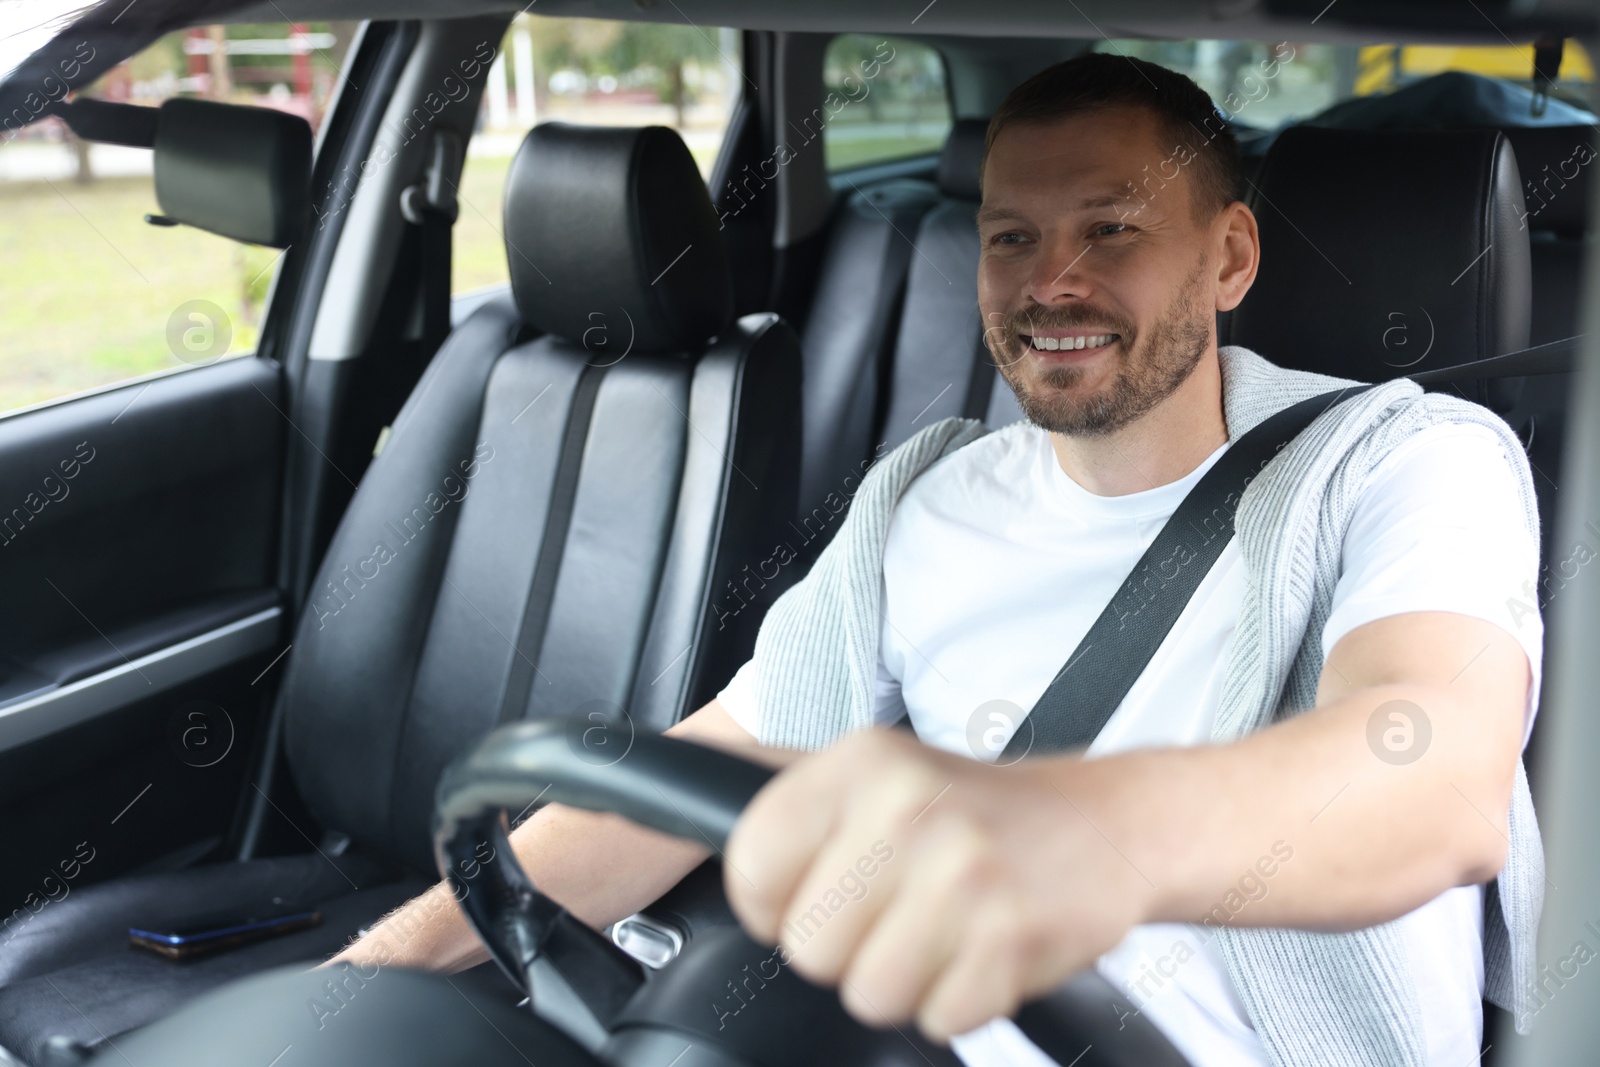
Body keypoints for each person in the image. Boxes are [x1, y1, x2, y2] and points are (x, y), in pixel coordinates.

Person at [324, 54, 1542, 1067]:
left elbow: (1427, 771)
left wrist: (1063, 831)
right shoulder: (927, 489)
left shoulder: (1406, 461)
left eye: (1110, 229)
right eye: (1011, 236)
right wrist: (368, 979)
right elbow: (732, 749)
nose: (1051, 282)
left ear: (1228, 257)